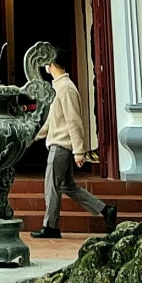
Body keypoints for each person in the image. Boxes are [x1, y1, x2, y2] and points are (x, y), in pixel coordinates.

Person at [30, 56, 119, 238]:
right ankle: (105, 210)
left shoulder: (66, 88)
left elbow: (74, 121)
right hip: (59, 142)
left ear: (51, 65)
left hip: (61, 145)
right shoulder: (58, 87)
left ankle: (51, 226)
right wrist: (33, 137)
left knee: (52, 186)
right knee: (67, 185)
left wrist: (79, 151)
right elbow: (52, 122)